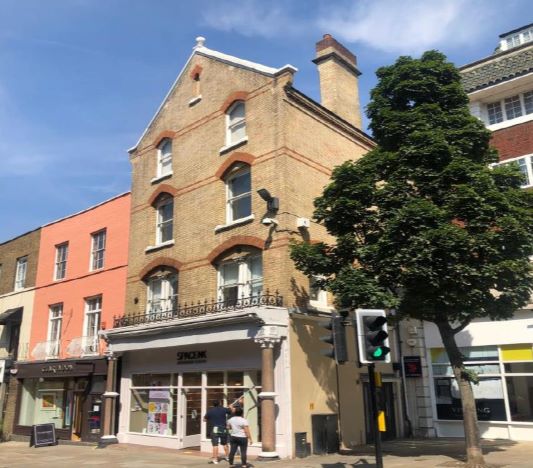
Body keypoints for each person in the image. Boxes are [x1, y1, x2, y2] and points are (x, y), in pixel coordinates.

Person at [204, 400, 231, 464]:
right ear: (220, 403)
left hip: (215, 429)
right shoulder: (223, 409)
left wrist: (210, 419)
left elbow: (204, 419)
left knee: (215, 445)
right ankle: (228, 457)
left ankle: (215, 459)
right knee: (225, 444)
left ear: (213, 404)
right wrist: (230, 407)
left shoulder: (210, 411)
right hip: (223, 428)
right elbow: (230, 411)